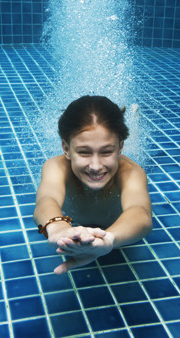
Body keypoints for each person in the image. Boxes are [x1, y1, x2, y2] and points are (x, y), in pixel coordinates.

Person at [34, 95, 152, 275]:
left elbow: (141, 214)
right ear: (66, 149)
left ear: (120, 148)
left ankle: (133, 118)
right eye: (84, 152)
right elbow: (46, 199)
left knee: (134, 149)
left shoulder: (131, 173)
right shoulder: (56, 167)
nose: (96, 166)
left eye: (106, 152)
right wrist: (57, 228)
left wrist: (109, 239)